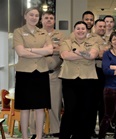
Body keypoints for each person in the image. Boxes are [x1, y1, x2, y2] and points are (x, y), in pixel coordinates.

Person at [13, 7, 53, 139]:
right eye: (31, 15)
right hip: (24, 73)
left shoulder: (43, 33)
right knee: (24, 108)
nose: (34, 17)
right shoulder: (18, 32)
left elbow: (49, 50)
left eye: (36, 15)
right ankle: (25, 136)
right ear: (25, 16)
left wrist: (29, 49)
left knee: (40, 108)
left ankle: (39, 136)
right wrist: (40, 51)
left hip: (41, 72)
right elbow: (21, 52)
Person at [59, 21, 99, 139]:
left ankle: (81, 136)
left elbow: (92, 55)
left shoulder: (94, 42)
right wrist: (84, 55)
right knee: (70, 109)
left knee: (85, 109)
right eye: (78, 28)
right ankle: (65, 135)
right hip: (69, 79)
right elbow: (65, 56)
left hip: (88, 79)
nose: (80, 30)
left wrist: (75, 52)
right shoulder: (66, 41)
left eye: (83, 28)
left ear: (87, 31)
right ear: (74, 30)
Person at [29, 11, 65, 139]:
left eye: (51, 18)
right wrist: (51, 48)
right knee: (37, 104)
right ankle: (35, 131)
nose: (49, 20)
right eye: (46, 18)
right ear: (41, 20)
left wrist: (45, 48)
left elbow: (63, 50)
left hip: (55, 74)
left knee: (55, 104)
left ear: (54, 21)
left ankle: (55, 129)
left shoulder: (60, 35)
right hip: (38, 73)